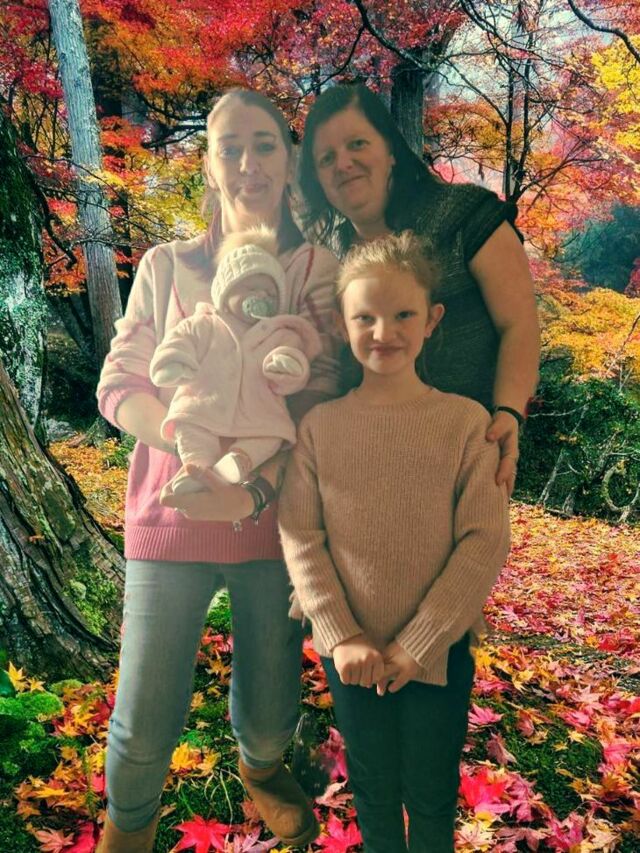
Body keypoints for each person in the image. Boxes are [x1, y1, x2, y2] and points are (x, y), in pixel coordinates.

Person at [95, 88, 340, 853]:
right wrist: (186, 442)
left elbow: (325, 397)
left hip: (275, 522)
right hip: (170, 516)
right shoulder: (166, 267)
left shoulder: (315, 270)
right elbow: (120, 384)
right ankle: (128, 828)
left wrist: (251, 488)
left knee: (269, 709)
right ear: (207, 163)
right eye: (229, 146)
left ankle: (260, 767)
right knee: (143, 717)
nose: (247, 163)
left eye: (264, 144)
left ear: (289, 160)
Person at [278, 231, 512, 852]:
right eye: (366, 317)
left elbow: (484, 539)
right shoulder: (320, 428)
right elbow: (300, 533)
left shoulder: (464, 424)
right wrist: (341, 634)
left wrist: (420, 643)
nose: (384, 331)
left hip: (439, 652)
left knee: (432, 794)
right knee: (374, 790)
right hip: (350, 653)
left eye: (404, 314)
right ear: (342, 323)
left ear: (432, 320)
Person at [298, 83, 540, 495]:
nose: (343, 164)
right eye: (327, 158)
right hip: (368, 474)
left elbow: (519, 323)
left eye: (357, 144)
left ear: (391, 150)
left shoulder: (466, 215)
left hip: (465, 462)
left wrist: (508, 412)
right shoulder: (326, 262)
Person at [149, 226, 323, 493]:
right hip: (204, 404)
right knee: (189, 427)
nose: (262, 296)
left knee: (272, 437)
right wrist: (173, 363)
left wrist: (287, 366)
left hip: (260, 413)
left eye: (271, 294)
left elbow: (295, 362)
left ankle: (239, 461)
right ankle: (196, 467)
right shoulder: (204, 324)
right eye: (252, 288)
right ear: (225, 291)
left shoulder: (279, 332)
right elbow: (179, 342)